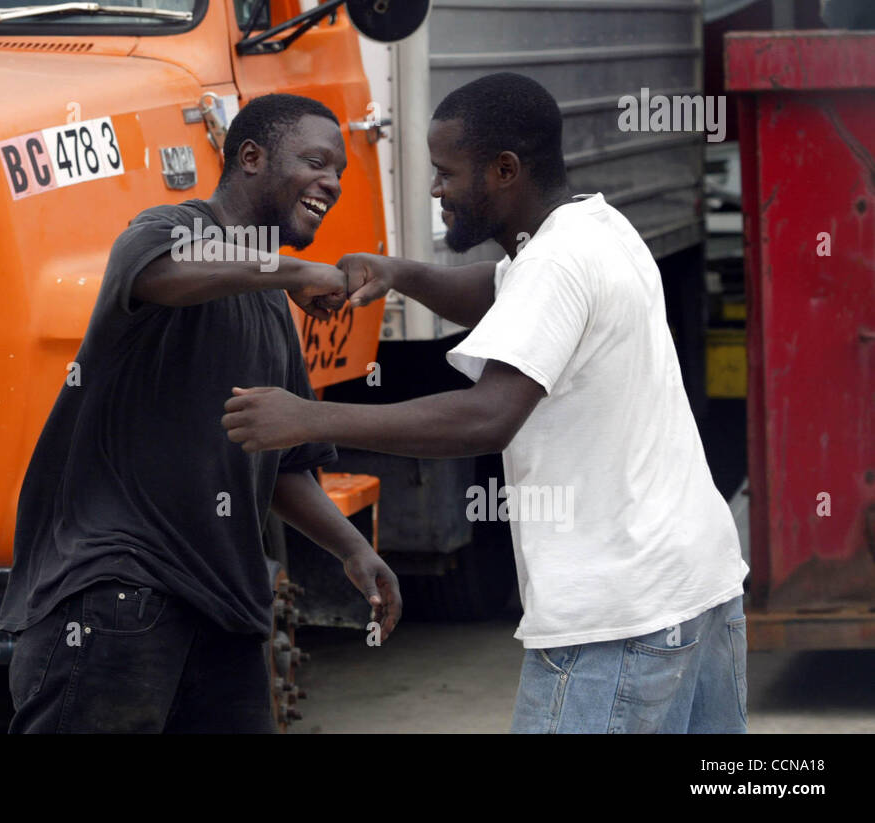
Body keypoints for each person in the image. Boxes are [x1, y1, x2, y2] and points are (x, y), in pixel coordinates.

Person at [223, 72, 749, 734]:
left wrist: (309, 417)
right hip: (699, 590)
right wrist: (399, 274)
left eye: (447, 172)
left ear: (504, 171)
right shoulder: (594, 228)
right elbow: (501, 290)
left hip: (618, 620)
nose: (436, 189)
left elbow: (487, 414)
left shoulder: (558, 262)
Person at [0, 92, 401, 734]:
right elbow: (163, 272)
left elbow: (285, 464)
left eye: (340, 174)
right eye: (317, 162)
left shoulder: (271, 306)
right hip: (119, 590)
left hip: (225, 609)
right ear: (250, 156)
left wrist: (353, 551)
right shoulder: (171, 231)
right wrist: (292, 271)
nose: (331, 183)